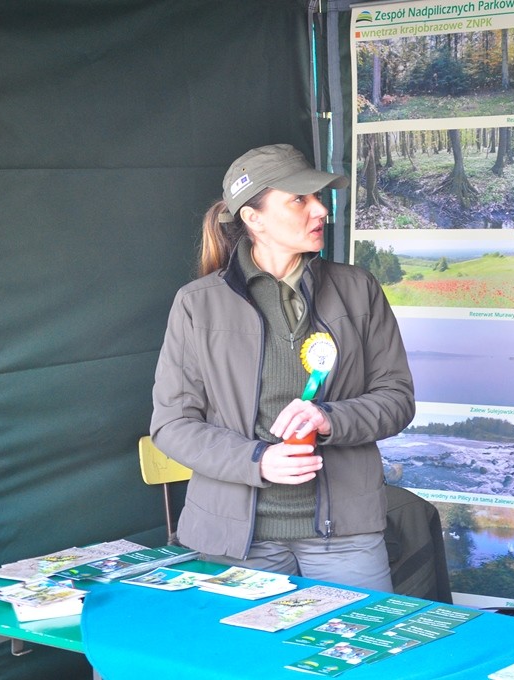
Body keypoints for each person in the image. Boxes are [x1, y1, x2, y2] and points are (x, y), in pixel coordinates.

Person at [151, 143, 415, 591]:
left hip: (346, 533)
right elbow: (172, 425)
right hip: (234, 537)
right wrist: (257, 459)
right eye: (299, 199)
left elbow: (397, 399)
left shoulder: (359, 289)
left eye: (318, 197)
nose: (320, 210)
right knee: (238, 642)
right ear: (253, 218)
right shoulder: (197, 304)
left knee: (363, 639)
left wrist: (329, 418)